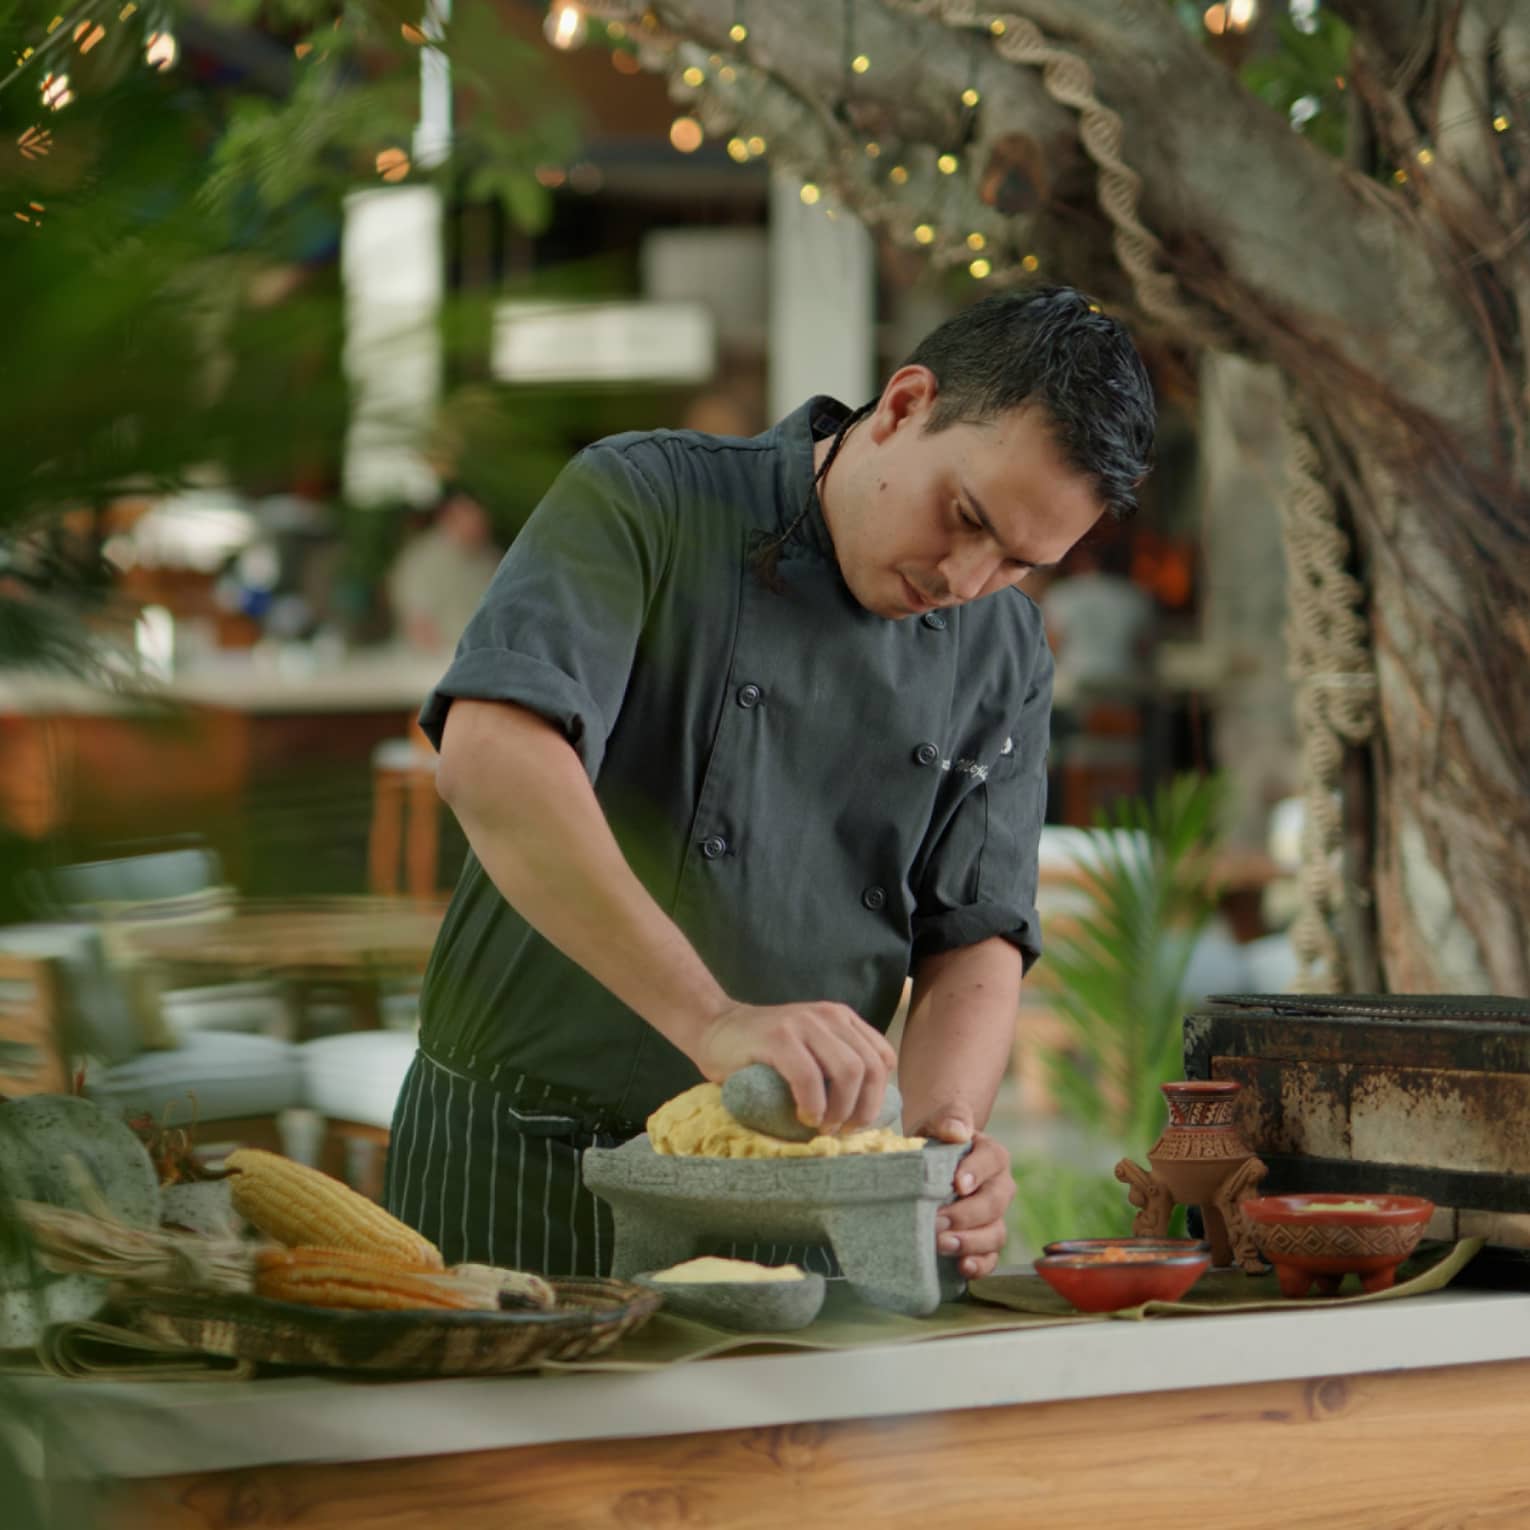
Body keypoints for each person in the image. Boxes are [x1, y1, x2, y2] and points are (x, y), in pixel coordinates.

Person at [383, 286, 1156, 1283]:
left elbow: (977, 931)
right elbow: (491, 756)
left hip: (799, 1197)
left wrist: (934, 1154)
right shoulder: (647, 498)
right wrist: (712, 1018)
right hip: (525, 1161)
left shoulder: (1001, 646)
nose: (967, 578)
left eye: (1018, 561)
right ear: (905, 404)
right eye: (964, 517)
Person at [385, 486, 501, 656]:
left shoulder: (490, 558)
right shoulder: (421, 560)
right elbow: (419, 626)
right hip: (432, 664)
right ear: (448, 515)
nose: (478, 522)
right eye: (470, 514)